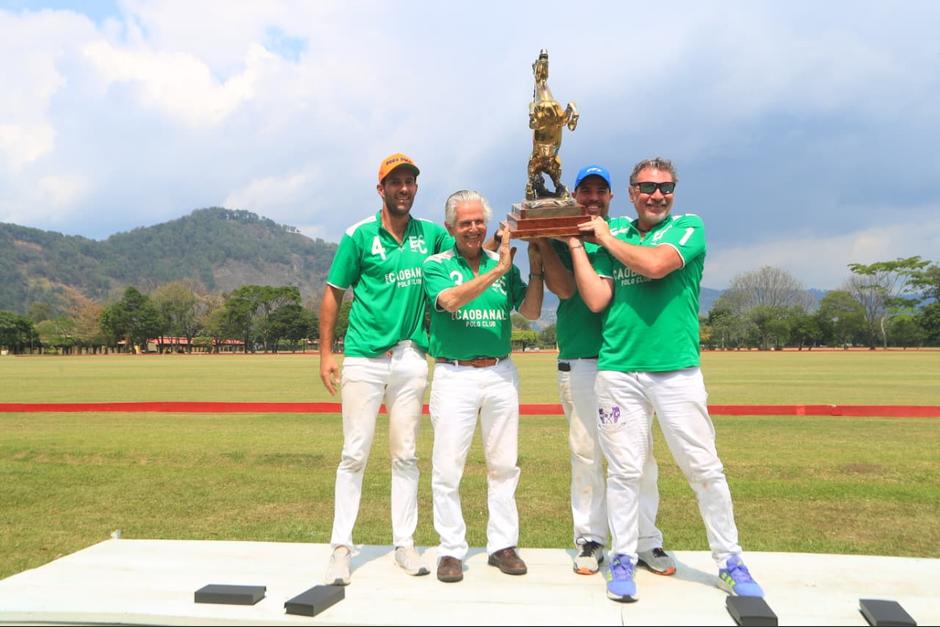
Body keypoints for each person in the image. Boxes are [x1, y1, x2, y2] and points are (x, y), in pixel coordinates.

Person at [571, 158, 764, 603]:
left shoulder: (688, 227)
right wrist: (577, 244)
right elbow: (598, 298)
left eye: (666, 187)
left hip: (676, 371)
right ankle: (622, 556)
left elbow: (656, 266)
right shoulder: (612, 231)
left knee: (703, 468)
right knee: (623, 472)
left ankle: (730, 559)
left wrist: (601, 235)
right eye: (647, 188)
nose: (658, 195)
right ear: (632, 191)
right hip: (618, 369)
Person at [536, 164, 675, 577]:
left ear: (613, 197)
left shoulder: (623, 233)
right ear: (574, 196)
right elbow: (562, 290)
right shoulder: (563, 236)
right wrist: (544, 238)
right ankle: (590, 539)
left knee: (640, 457)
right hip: (580, 356)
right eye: (585, 191)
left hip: (627, 362)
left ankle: (646, 541)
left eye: (600, 190)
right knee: (585, 453)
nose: (593, 197)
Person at [319, 153, 451, 585]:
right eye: (395, 182)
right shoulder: (358, 235)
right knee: (354, 453)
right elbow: (333, 293)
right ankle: (341, 547)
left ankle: (404, 543)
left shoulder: (430, 235)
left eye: (411, 181)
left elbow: (465, 256)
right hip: (363, 357)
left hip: (411, 356)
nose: (404, 188)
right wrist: (326, 353)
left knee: (406, 455)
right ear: (381, 189)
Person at [421, 190, 543, 583]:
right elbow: (451, 301)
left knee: (504, 465)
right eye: (465, 223)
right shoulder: (436, 265)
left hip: (499, 372)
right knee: (447, 467)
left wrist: (536, 263)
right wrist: (497, 270)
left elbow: (532, 310)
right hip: (454, 374)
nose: (473, 229)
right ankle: (451, 550)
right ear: (450, 228)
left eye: (479, 222)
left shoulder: (503, 264)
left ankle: (502, 546)